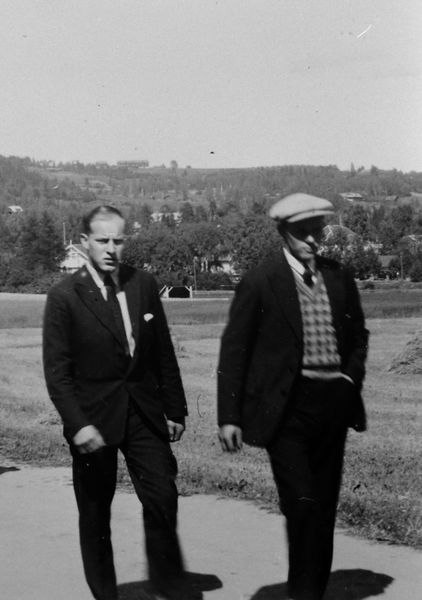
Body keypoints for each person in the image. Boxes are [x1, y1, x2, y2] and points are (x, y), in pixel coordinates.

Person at [217, 193, 368, 600]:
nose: (313, 240)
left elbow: (358, 338)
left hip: (333, 404)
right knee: (301, 505)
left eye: (318, 231)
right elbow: (235, 350)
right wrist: (228, 414)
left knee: (323, 508)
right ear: (283, 233)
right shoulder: (260, 281)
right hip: (286, 410)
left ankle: (311, 593)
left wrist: (350, 381)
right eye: (303, 233)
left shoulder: (339, 276)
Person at [42, 205, 188, 600]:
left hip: (143, 412)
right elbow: (57, 373)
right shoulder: (64, 297)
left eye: (118, 241)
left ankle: (167, 586)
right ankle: (105, 593)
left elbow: (162, 353)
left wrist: (174, 408)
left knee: (162, 498)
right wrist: (78, 424)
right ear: (85, 242)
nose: (111, 249)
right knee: (95, 514)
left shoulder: (143, 284)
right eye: (102, 240)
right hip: (93, 419)